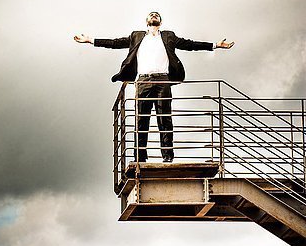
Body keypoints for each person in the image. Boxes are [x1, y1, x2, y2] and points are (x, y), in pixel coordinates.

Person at [74, 11, 234, 163]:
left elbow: (189, 45)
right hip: (143, 81)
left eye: (156, 15)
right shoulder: (136, 36)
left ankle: (168, 156)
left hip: (163, 80)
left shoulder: (168, 36)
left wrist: (215, 45)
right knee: (141, 119)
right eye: (151, 15)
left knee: (165, 118)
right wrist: (90, 40)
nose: (154, 16)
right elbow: (114, 43)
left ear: (160, 22)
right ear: (147, 22)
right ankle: (140, 156)